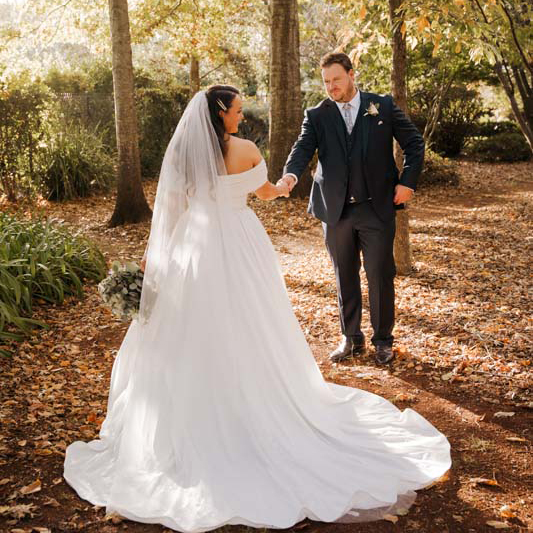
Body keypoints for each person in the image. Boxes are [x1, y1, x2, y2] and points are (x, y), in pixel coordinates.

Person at [63, 85, 450, 532]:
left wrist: (156, 259)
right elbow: (266, 193)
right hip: (240, 244)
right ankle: (250, 404)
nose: (242, 118)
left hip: (193, 246)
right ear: (220, 113)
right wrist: (286, 183)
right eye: (238, 110)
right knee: (250, 323)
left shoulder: (185, 154)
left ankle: (192, 417)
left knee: (194, 327)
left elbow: (170, 207)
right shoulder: (246, 151)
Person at [279, 52, 425, 365]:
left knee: (380, 275)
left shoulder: (380, 106)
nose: (331, 86)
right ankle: (351, 338)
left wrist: (407, 182)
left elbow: (414, 143)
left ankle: (383, 340)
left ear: (351, 74)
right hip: (336, 211)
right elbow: (303, 147)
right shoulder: (317, 115)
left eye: (336, 79)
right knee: (344, 274)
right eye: (326, 82)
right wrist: (291, 173)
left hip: (376, 208)